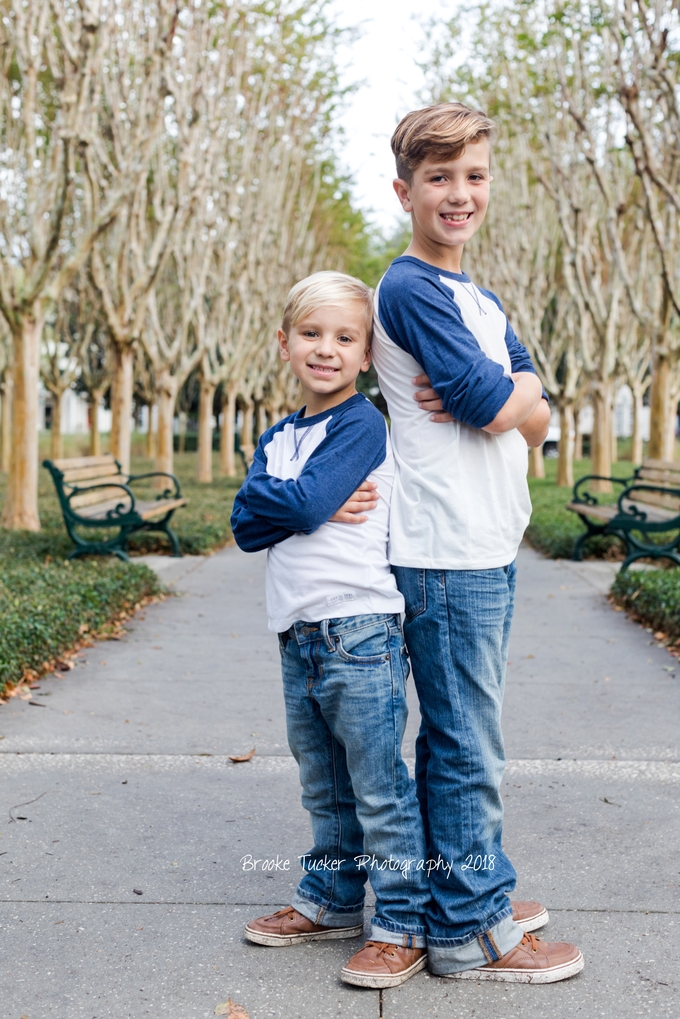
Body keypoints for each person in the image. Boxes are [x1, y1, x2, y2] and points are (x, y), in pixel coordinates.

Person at [361, 101, 584, 982]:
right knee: (466, 740)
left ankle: (467, 888)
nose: (460, 194)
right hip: (446, 547)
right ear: (405, 190)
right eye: (440, 177)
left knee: (464, 735)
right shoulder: (412, 288)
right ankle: (470, 927)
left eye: (475, 175)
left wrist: (513, 399)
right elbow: (500, 404)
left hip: (485, 541)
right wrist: (507, 400)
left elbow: (532, 405)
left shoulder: (476, 298)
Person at [230, 271, 431, 989]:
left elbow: (302, 501)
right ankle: (334, 898)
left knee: (377, 785)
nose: (326, 349)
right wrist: (295, 502)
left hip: (360, 631)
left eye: (344, 337)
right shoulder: (280, 434)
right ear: (284, 344)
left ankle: (402, 920)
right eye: (311, 334)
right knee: (323, 785)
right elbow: (244, 524)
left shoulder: (360, 424)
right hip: (298, 635)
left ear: (367, 354)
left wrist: (294, 501)